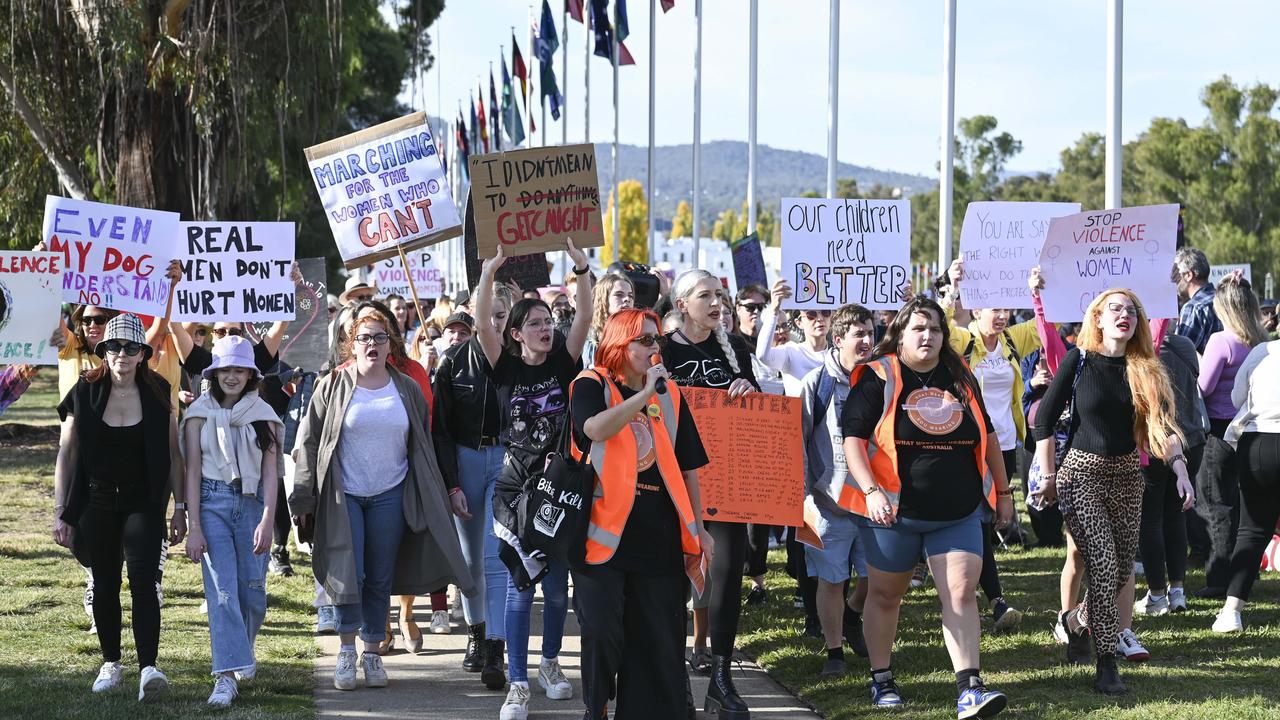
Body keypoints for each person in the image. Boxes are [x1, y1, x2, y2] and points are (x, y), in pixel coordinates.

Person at [841, 297, 1012, 716]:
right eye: (918, 328)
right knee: (885, 596)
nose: (928, 336)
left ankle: (970, 688)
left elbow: (987, 438)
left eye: (935, 328)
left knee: (961, 592)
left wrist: (1005, 494)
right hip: (893, 512)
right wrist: (871, 491)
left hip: (957, 511)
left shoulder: (961, 377)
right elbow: (853, 441)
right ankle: (881, 679)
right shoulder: (878, 376)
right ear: (899, 334)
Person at [290, 310, 473, 691]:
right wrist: (303, 499)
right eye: (364, 338)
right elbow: (307, 444)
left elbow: (422, 445)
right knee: (347, 572)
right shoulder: (332, 385)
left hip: (392, 493)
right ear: (351, 344)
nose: (372, 345)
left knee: (379, 575)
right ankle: (345, 651)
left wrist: (443, 492)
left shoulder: (406, 388)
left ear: (391, 344)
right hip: (345, 496)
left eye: (380, 337)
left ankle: (372, 652)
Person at [1033, 287, 1194, 695]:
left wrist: (1180, 469)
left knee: (1121, 572)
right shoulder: (1078, 359)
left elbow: (1162, 428)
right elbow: (1044, 421)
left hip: (1127, 478)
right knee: (1102, 565)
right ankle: (1106, 663)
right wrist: (1048, 476)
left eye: (1132, 311)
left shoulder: (1147, 368)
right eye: (1114, 309)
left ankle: (1073, 622)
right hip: (1080, 474)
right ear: (1098, 319)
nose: (1124, 316)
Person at [569, 308, 713, 719]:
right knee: (602, 633)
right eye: (645, 340)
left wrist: (701, 530)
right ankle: (596, 706)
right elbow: (593, 429)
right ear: (619, 344)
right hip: (601, 540)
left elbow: (688, 470)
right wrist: (644, 396)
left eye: (657, 340)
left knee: (656, 642)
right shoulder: (591, 384)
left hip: (659, 539)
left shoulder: (671, 395)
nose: (655, 348)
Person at [476, 240, 592, 720]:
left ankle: (550, 665)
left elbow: (583, 316)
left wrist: (581, 266)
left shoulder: (566, 363)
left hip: (561, 486)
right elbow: (484, 322)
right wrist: (489, 273)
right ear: (518, 334)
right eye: (536, 324)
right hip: (516, 490)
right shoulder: (503, 367)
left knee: (559, 586)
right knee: (519, 587)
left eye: (549, 322)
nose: (546, 329)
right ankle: (518, 685)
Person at [52, 313, 187, 701]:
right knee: (105, 582)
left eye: (131, 347)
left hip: (143, 500)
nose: (122, 354)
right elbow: (68, 451)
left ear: (143, 353)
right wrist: (60, 509)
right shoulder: (85, 388)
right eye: (113, 346)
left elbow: (174, 455)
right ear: (102, 351)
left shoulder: (160, 390)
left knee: (146, 584)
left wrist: (179, 509)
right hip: (94, 500)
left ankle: (148, 668)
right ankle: (111, 662)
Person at [662, 268, 758, 719]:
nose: (717, 302)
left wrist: (747, 388)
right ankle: (674, 678)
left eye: (720, 294)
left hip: (727, 479)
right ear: (682, 305)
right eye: (706, 295)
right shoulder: (661, 349)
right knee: (672, 582)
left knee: (726, 576)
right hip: (672, 483)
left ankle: (721, 677)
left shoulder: (735, 347)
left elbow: (758, 408)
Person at [181, 336, 284, 707]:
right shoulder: (197, 415)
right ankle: (224, 677)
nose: (232, 376)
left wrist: (269, 519)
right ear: (213, 372)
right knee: (222, 592)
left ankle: (242, 644)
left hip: (253, 504)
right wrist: (194, 525)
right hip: (211, 503)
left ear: (251, 374)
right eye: (225, 368)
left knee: (253, 593)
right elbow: (192, 471)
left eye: (239, 369)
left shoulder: (264, 415)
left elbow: (272, 472)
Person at [944, 261, 1037, 630]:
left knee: (988, 517)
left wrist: (1037, 289)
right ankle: (996, 600)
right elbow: (940, 323)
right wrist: (953, 286)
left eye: (1006, 308)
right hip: (971, 443)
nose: (1001, 315)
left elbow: (1045, 327)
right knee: (981, 519)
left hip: (1007, 443)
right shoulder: (964, 341)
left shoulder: (1013, 340)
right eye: (993, 309)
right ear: (976, 310)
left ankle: (976, 590)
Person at [434, 285, 518, 685]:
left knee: (492, 555)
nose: (494, 322)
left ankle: (496, 646)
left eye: (501, 314)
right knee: (469, 561)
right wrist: (452, 484)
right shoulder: (451, 362)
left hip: (505, 459)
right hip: (466, 459)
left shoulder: (519, 359)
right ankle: (476, 632)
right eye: (488, 313)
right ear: (472, 312)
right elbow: (441, 431)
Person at [799, 303, 875, 678]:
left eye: (870, 333)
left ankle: (854, 615)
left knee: (876, 577)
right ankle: (834, 652)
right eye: (859, 334)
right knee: (830, 580)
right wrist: (803, 500)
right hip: (827, 504)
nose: (867, 341)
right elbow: (797, 441)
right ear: (839, 338)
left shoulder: (880, 377)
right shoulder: (818, 383)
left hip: (876, 502)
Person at [1195, 273, 1269, 598]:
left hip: (1218, 431)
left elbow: (1203, 387)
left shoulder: (1220, 341)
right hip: (1250, 430)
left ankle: (1218, 579)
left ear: (1222, 308)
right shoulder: (1261, 341)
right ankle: (1243, 576)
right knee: (1241, 508)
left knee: (1215, 505)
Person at [1214, 338, 1280, 631]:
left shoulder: (1261, 352)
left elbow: (1237, 397)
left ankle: (1231, 610)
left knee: (1252, 530)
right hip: (1260, 439)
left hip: (1258, 442)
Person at [1172, 247, 1222, 354]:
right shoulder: (1223, 299)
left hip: (1204, 370)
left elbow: (1180, 354)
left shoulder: (1193, 307)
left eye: (1176, 275)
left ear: (1188, 275)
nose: (1174, 282)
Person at [582, 272, 635, 366]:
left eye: (630, 295)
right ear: (603, 299)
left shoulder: (639, 333)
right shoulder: (588, 338)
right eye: (619, 294)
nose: (627, 299)